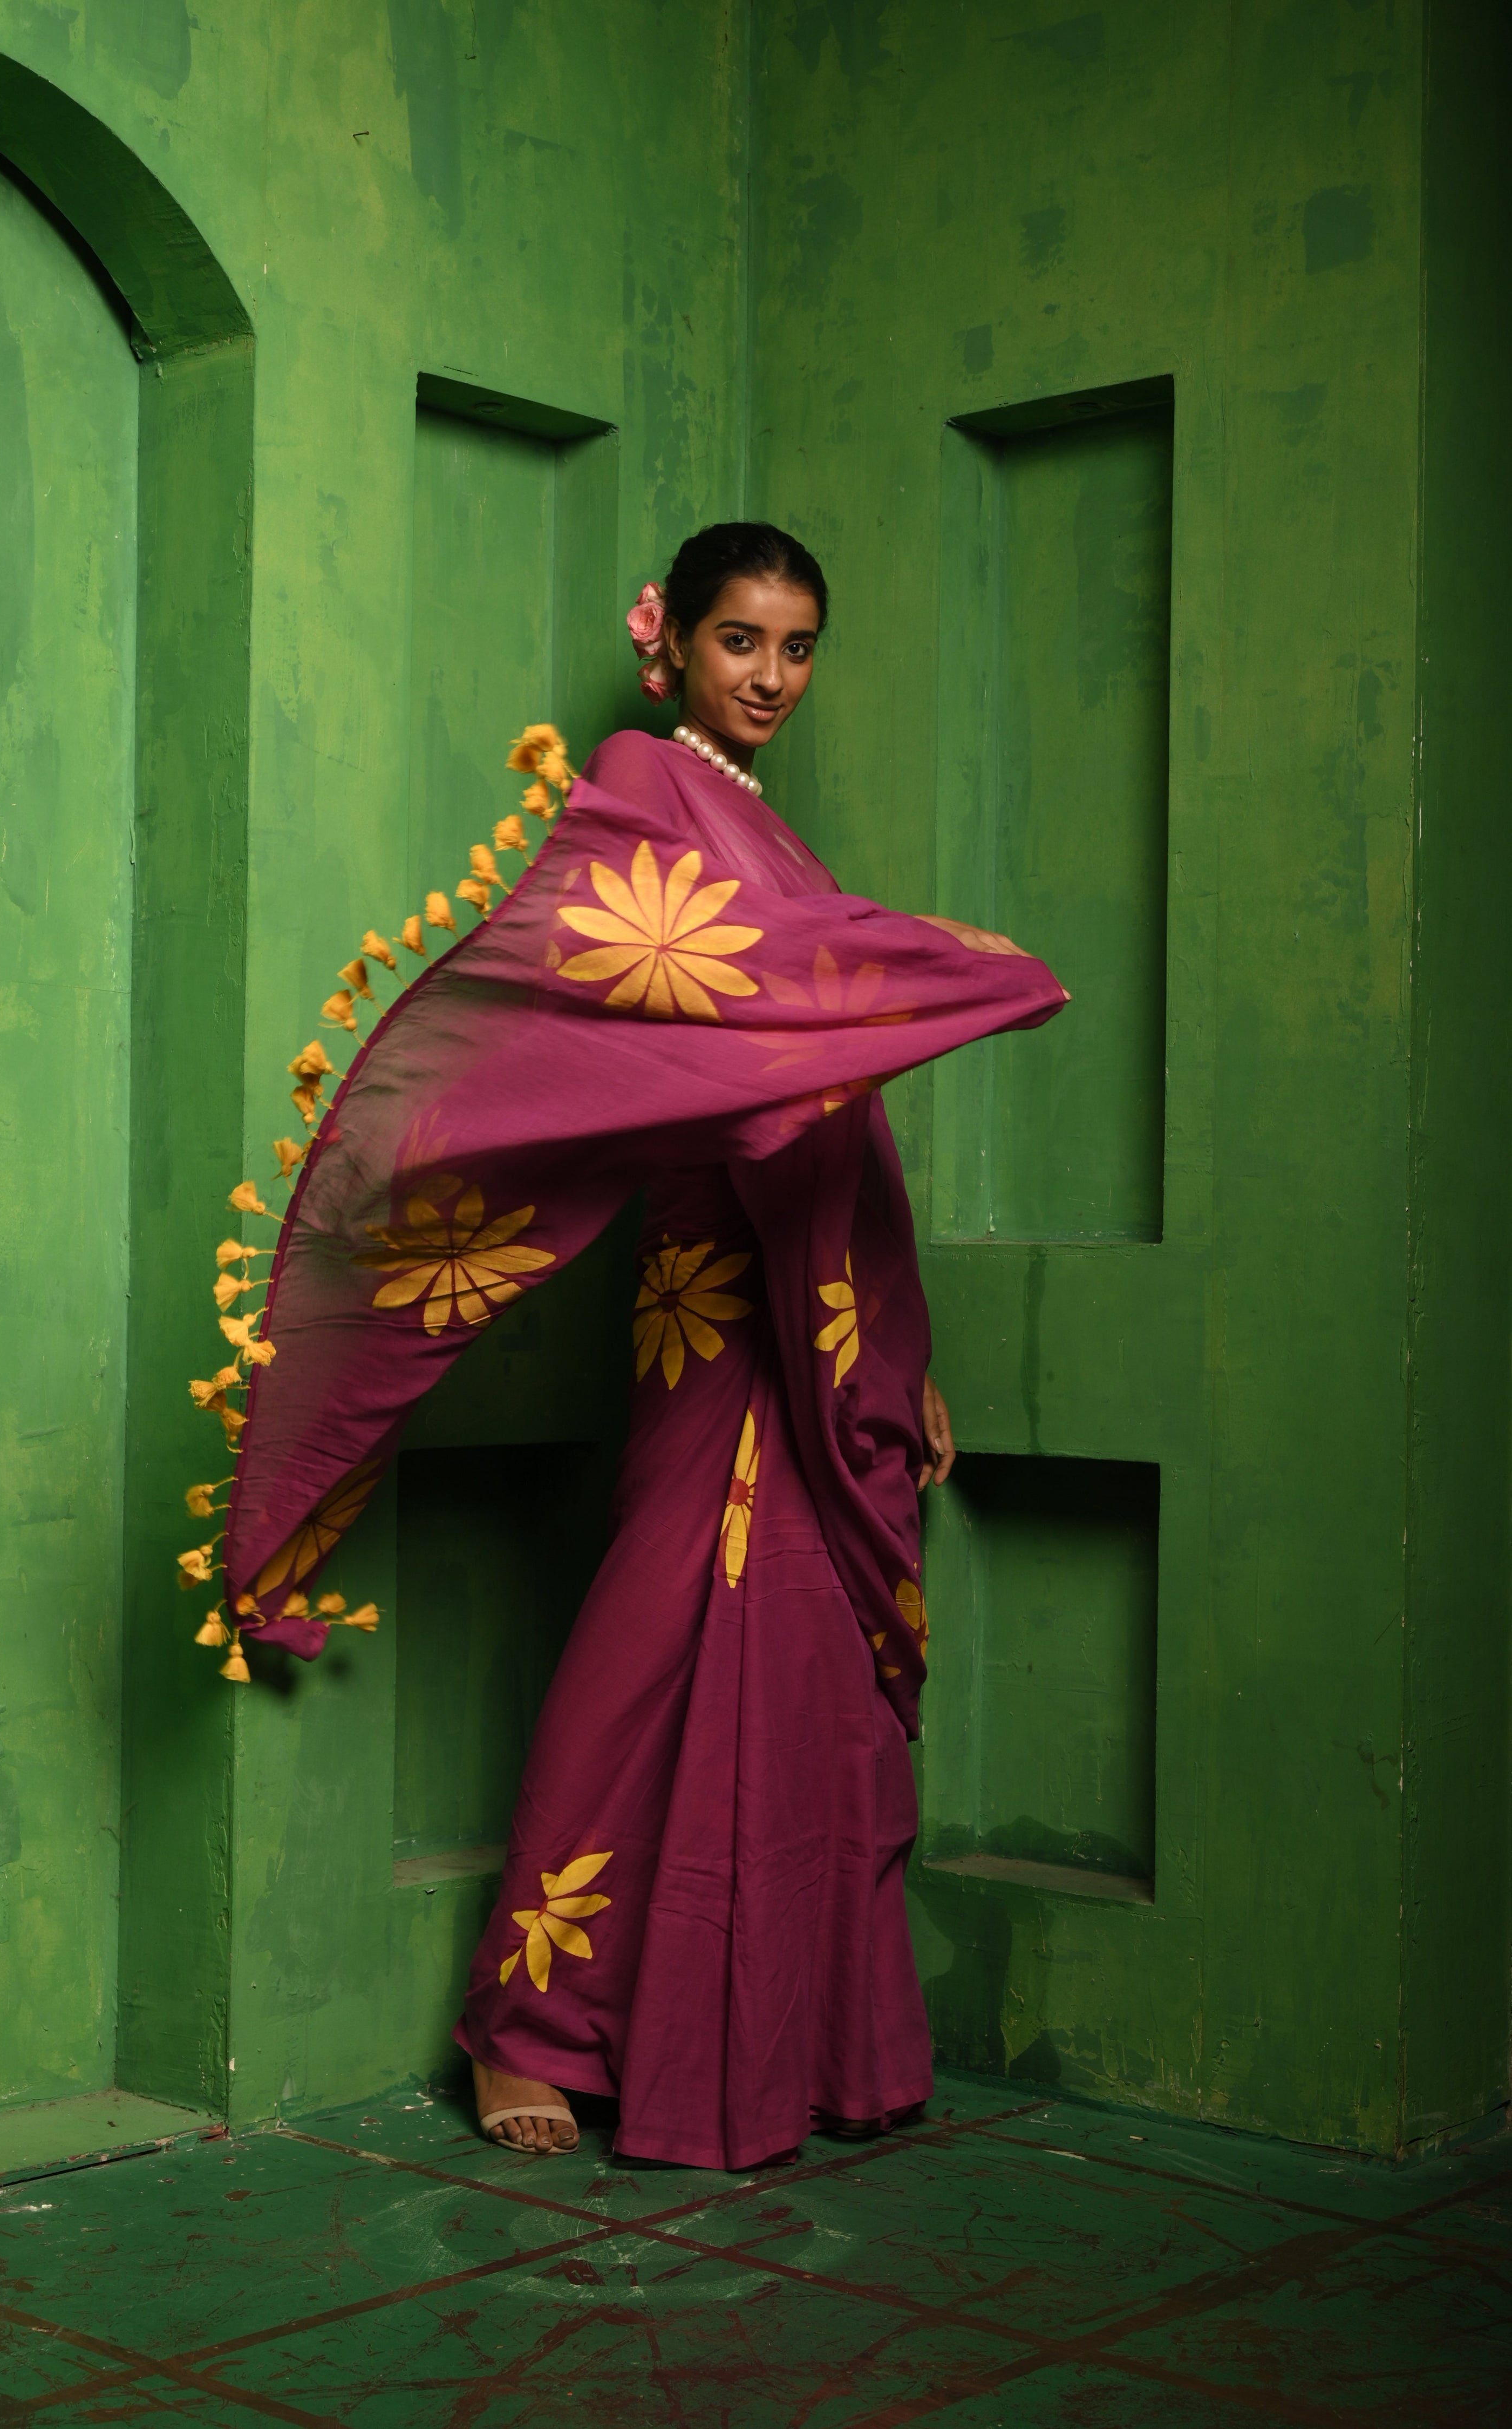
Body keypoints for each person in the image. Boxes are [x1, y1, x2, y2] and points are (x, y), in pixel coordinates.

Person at [221, 523, 1065, 2173]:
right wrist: (945, 967)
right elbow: (671, 1017)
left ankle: (792, 2039)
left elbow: (825, 1089)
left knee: (811, 1674)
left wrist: (895, 1345)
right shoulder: (637, 786)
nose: (772, 676)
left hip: (823, 1303)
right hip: (716, 1293)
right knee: (646, 1642)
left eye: (799, 646)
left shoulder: (765, 825)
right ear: (661, 635)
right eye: (741, 639)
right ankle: (523, 2025)